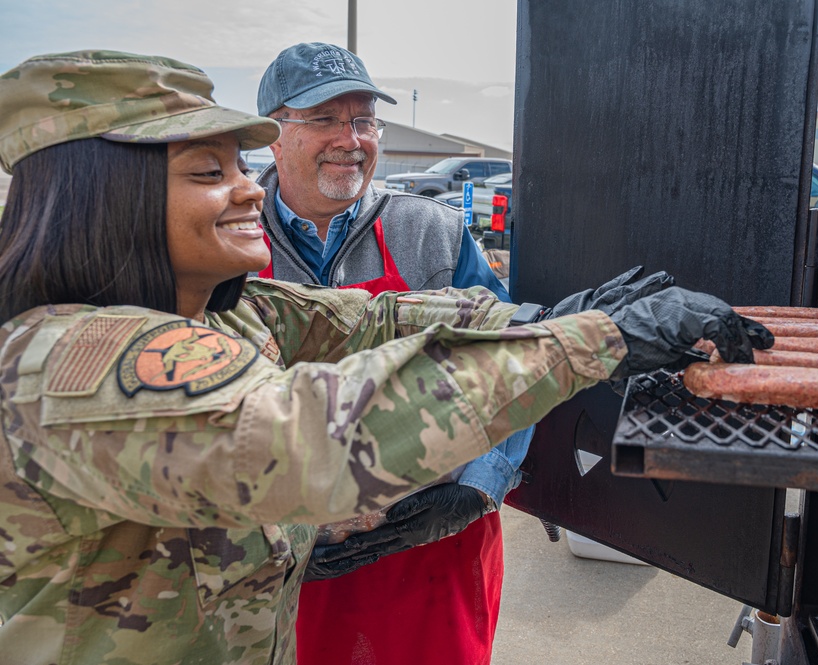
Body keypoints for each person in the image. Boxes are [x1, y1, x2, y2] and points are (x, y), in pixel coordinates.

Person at [0, 49, 773, 664]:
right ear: (101, 201)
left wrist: (559, 318)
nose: (245, 191)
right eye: (211, 172)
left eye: (240, 165)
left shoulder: (231, 304)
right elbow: (310, 437)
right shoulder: (74, 360)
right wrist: (598, 340)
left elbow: (377, 319)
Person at [253, 41, 534, 665]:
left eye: (363, 120)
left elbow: (512, 363)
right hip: (282, 562)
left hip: (430, 550)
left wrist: (480, 488)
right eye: (324, 118)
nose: (351, 139)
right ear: (273, 134)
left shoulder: (433, 232)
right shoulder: (230, 236)